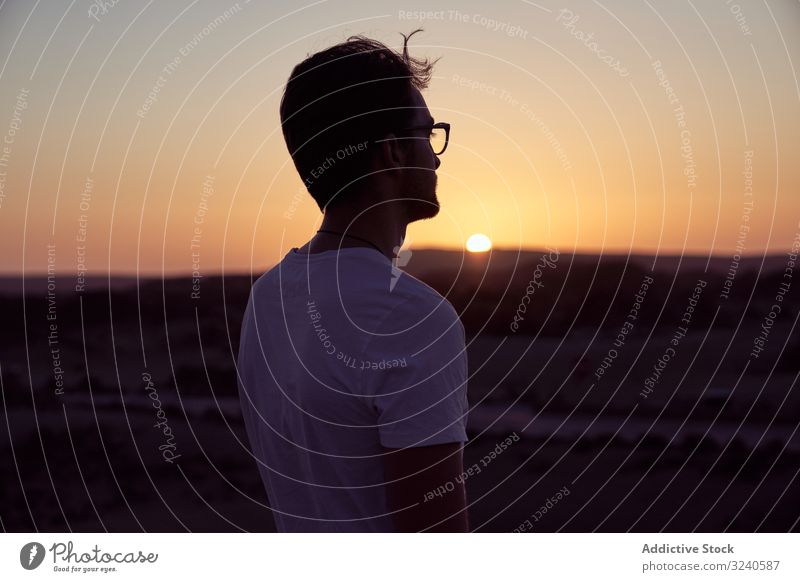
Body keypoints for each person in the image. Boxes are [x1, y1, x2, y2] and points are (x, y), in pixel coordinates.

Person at [236, 29, 469, 532]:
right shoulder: (411, 316)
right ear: (391, 152)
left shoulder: (268, 295)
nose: (436, 157)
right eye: (427, 135)